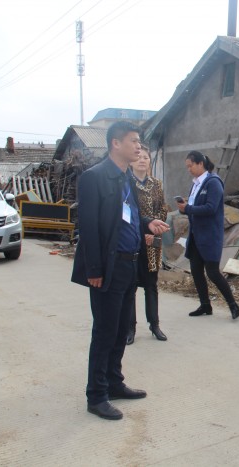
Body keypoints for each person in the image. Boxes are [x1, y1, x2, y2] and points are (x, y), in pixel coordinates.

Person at [71, 121, 169, 420]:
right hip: (108, 268)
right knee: (105, 332)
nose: (139, 147)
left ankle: (114, 383)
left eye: (139, 142)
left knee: (120, 329)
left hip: (130, 263)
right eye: (134, 141)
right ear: (116, 143)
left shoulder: (126, 176)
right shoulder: (95, 177)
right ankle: (96, 395)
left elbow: (128, 216)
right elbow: (88, 228)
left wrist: (147, 223)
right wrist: (95, 269)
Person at [175, 150, 239, 320]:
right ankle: (205, 305)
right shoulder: (196, 184)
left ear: (200, 163)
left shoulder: (213, 183)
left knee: (212, 272)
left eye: (190, 166)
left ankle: (233, 305)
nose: (188, 169)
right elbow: (194, 208)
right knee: (196, 271)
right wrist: (185, 208)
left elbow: (211, 208)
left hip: (210, 236)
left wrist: (188, 208)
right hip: (196, 235)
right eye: (187, 167)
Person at [126, 144, 168, 344]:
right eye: (139, 156)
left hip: (153, 240)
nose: (142, 160)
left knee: (151, 285)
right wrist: (142, 233)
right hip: (134, 240)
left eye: (146, 157)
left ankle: (154, 324)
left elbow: (162, 209)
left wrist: (154, 230)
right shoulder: (127, 183)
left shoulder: (156, 184)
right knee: (131, 285)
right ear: (132, 161)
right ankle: (130, 328)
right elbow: (128, 214)